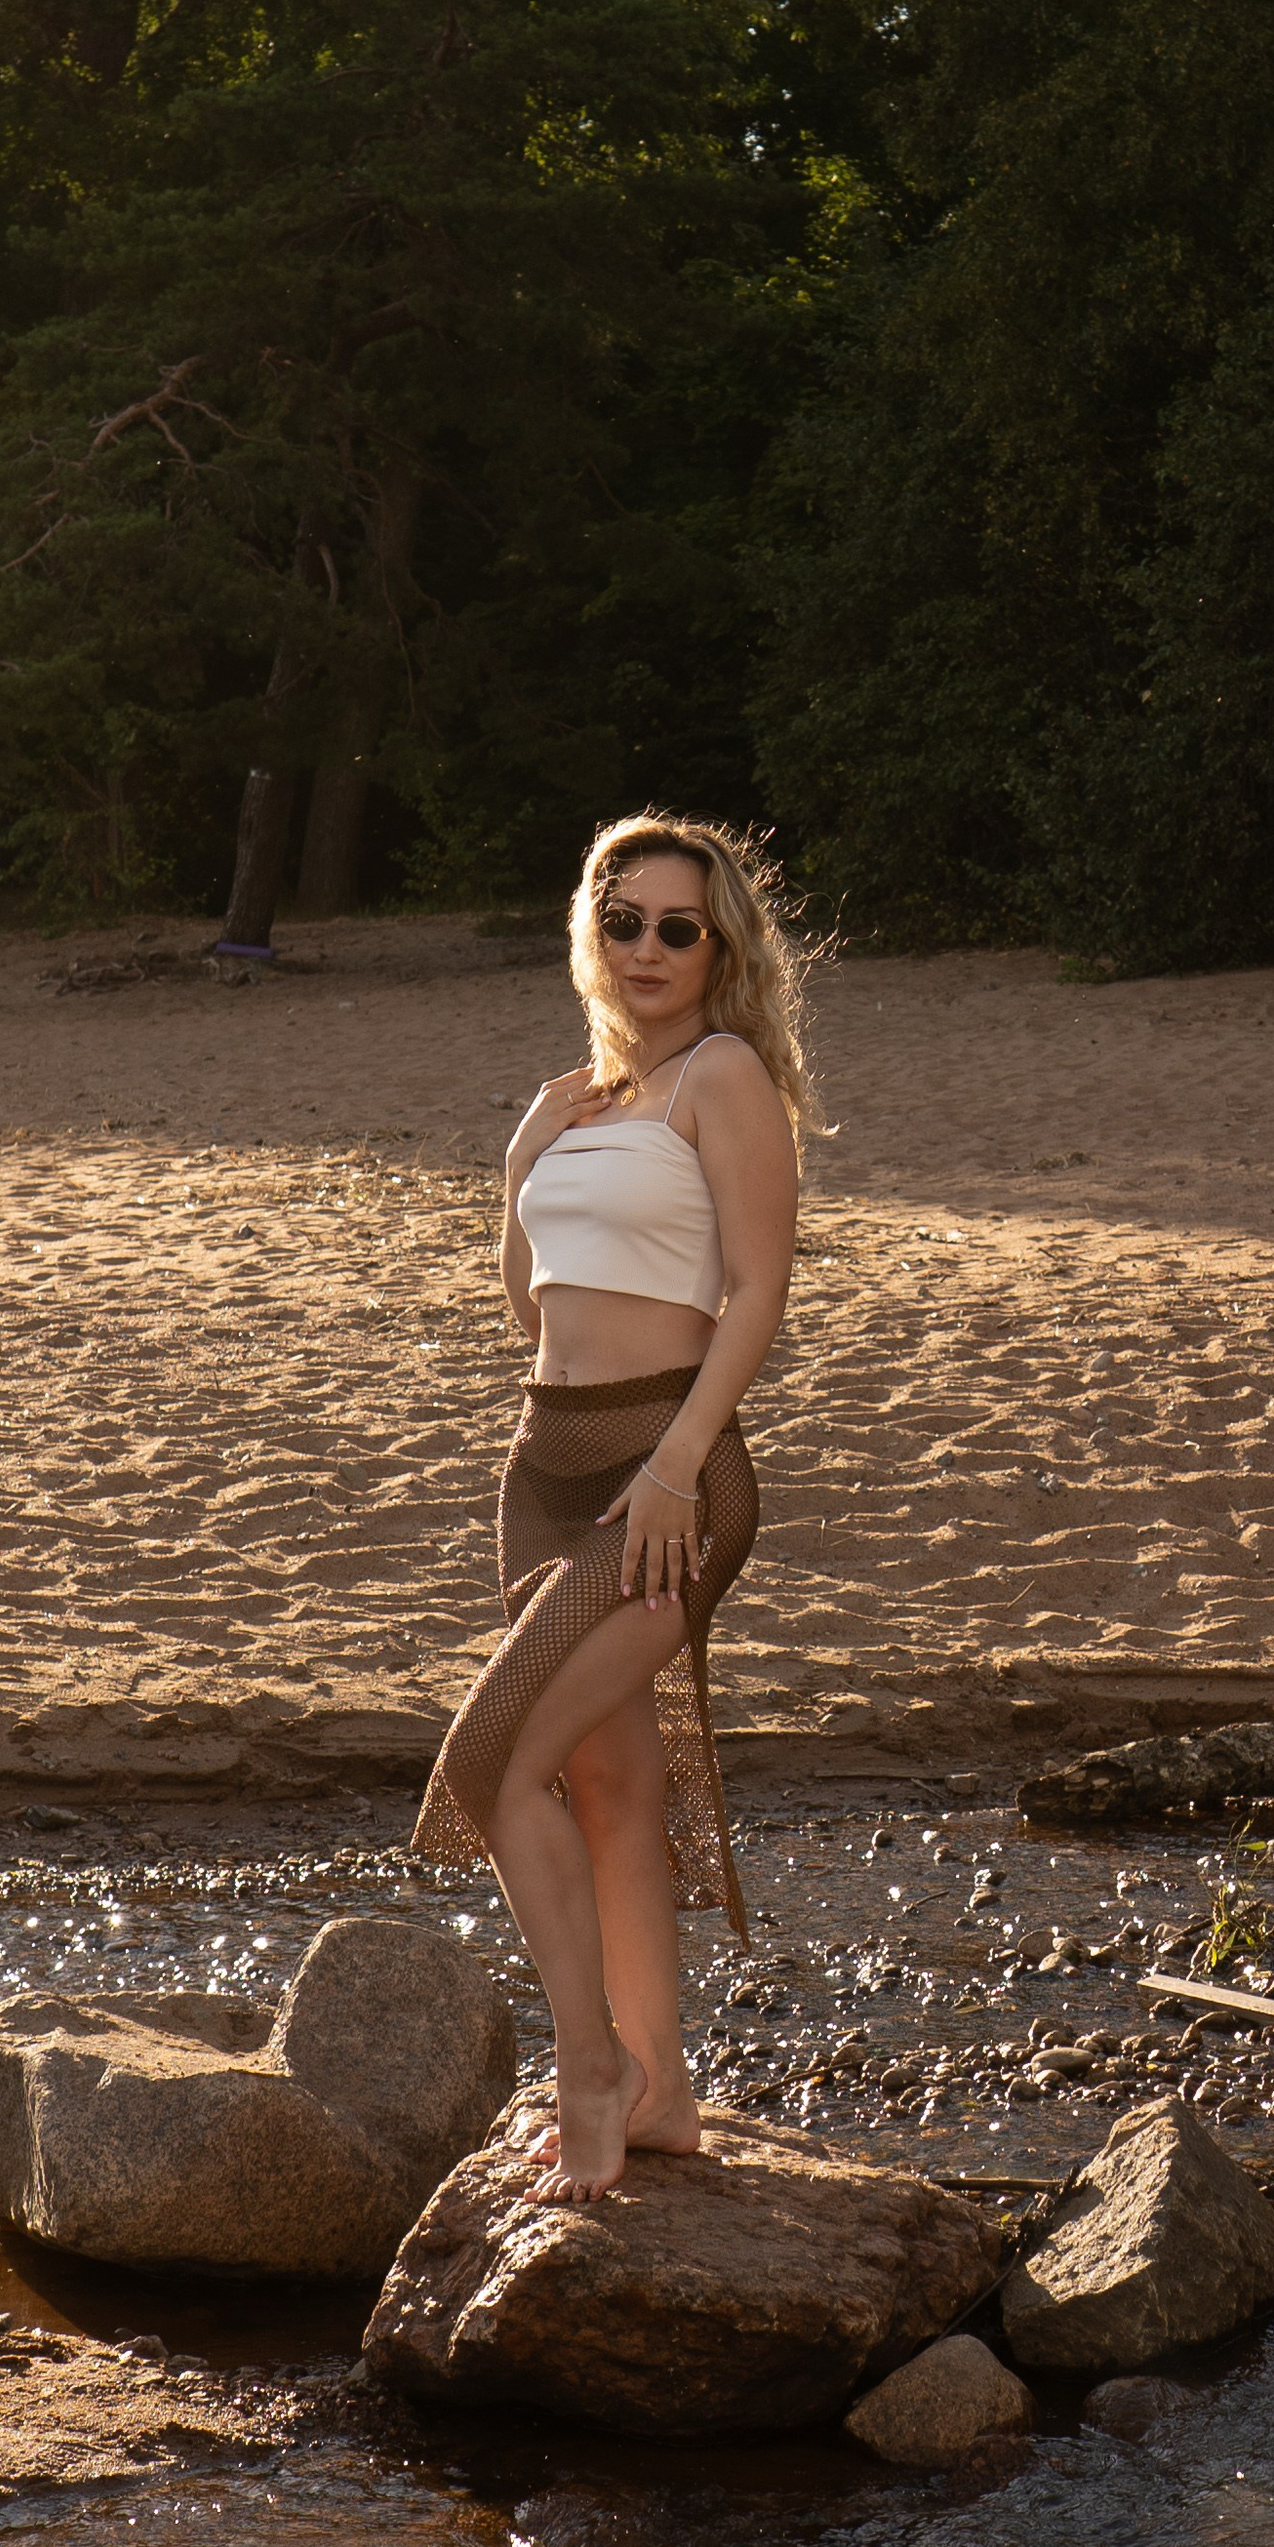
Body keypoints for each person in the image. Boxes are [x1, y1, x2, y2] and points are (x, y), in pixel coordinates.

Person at [412, 813, 812, 2200]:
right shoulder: (578, 1098)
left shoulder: (724, 1079)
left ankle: (586, 2062)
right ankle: (663, 2092)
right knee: (606, 1779)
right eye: (623, 919)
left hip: (668, 1468)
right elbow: (532, 1301)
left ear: (720, 950)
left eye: (677, 928)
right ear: (593, 929)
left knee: (490, 1765)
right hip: (542, 1466)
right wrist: (522, 1160)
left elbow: (756, 1293)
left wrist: (677, 1464)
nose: (646, 947)